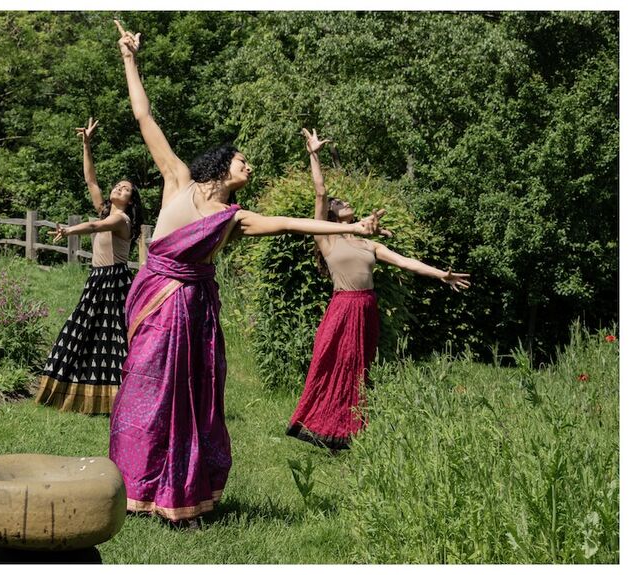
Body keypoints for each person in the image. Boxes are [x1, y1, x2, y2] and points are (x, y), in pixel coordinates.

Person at [108, 22, 392, 524]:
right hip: (156, 298)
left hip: (195, 310)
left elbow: (290, 223)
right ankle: (133, 484)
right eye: (244, 160)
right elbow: (143, 115)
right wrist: (130, 60)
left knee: (192, 396)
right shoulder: (177, 179)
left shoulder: (234, 220)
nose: (249, 166)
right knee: (148, 387)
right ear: (222, 164)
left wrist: (362, 228)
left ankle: (181, 490)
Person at [286, 128, 471, 450]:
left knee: (359, 368)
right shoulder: (326, 238)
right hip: (343, 307)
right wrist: (313, 155)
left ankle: (350, 429)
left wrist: (441, 274)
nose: (343, 202)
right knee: (334, 364)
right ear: (331, 214)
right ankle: (323, 426)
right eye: (338, 202)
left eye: (344, 201)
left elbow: (405, 262)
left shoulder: (369, 244)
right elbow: (319, 192)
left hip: (366, 308)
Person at [35, 117, 143, 415]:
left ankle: (127, 399)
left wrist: (70, 231)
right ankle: (74, 392)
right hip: (99, 278)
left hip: (115, 280)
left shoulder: (121, 219)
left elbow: (97, 225)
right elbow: (91, 180)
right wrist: (86, 144)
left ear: (131, 201)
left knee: (114, 339)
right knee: (83, 330)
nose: (119, 189)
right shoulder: (107, 208)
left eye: (126, 190)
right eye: (118, 186)